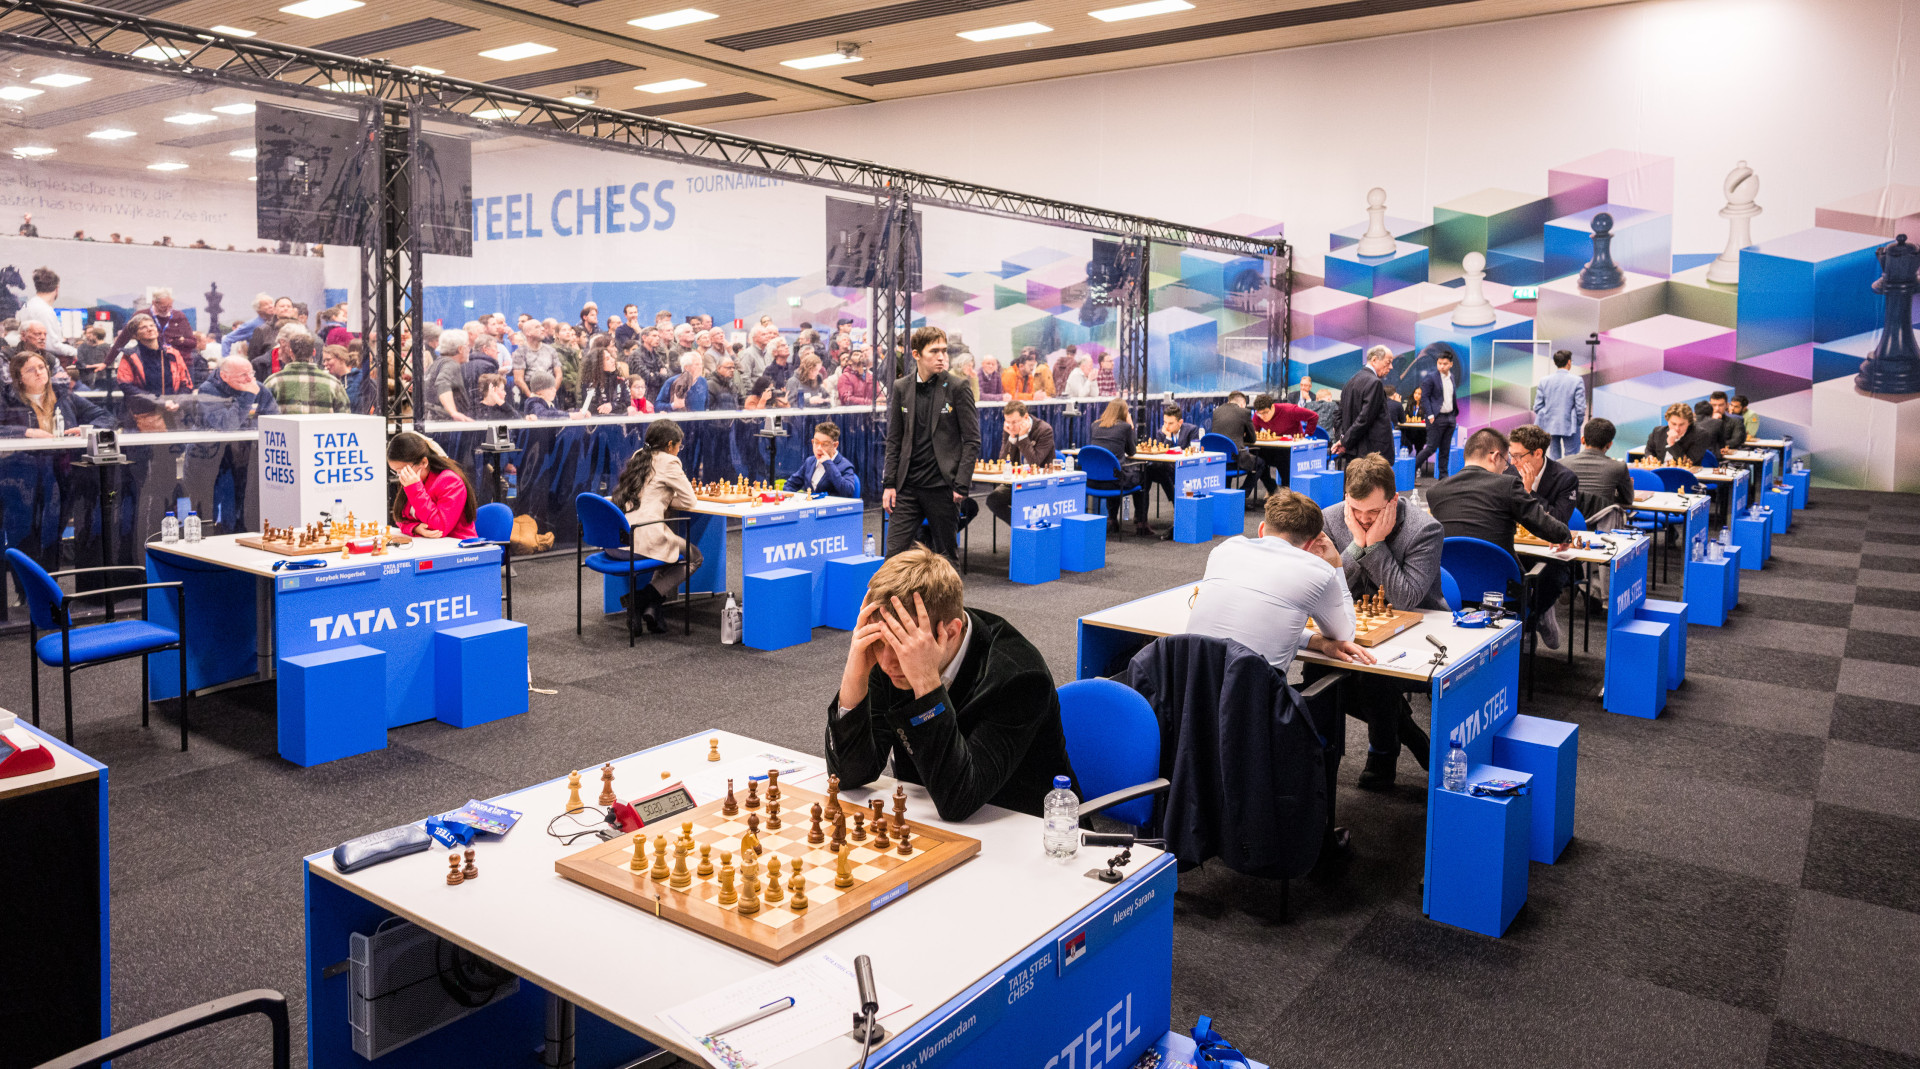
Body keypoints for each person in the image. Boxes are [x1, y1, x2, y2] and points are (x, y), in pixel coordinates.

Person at [826, 544, 1075, 820]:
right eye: (878, 643)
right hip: (931, 825)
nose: (885, 662)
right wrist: (854, 674)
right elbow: (848, 776)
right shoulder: (891, 658)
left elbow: (959, 800)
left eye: (899, 648)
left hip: (1028, 834)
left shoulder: (1020, 678)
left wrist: (925, 683)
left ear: (951, 631)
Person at [1320, 454, 1445, 787]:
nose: (1361, 520)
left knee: (1374, 673)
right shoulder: (1331, 519)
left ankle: (1383, 750)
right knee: (1317, 672)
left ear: (1393, 501)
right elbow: (1322, 587)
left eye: (1372, 513)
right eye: (1355, 510)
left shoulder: (1424, 529)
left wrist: (1373, 544)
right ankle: (1405, 730)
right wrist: (1357, 546)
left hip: (1419, 632)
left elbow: (1405, 598)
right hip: (1356, 627)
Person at [1185, 490, 1371, 675]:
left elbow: (1260, 628)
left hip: (1188, 691)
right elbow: (1345, 636)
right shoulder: (1319, 573)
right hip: (1256, 699)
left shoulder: (1223, 550)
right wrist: (1336, 566)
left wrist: (1320, 643)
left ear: (1261, 529)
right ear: (1310, 545)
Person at [881, 326, 980, 563]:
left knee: (946, 558)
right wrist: (890, 483)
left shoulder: (958, 387)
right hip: (907, 489)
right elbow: (894, 439)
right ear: (916, 355)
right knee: (893, 558)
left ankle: (953, 603)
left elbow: (972, 440)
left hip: (943, 489)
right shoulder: (901, 387)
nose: (941, 357)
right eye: (934, 351)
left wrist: (961, 485)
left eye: (944, 351)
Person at [608, 419, 703, 633]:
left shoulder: (638, 457)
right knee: (694, 557)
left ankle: (653, 608)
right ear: (670, 445)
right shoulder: (669, 462)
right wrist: (666, 500)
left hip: (616, 540)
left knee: (667, 548)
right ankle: (641, 599)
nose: (679, 450)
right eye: (679, 446)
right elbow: (689, 501)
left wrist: (661, 499)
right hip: (642, 540)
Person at [1506, 424, 1579, 648]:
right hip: (1518, 546)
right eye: (1511, 455)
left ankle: (1530, 621)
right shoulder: (1508, 474)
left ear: (1538, 453)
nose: (1514, 462)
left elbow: (1558, 520)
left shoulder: (1565, 478)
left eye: (1518, 456)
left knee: (1556, 575)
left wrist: (1529, 493)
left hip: (1551, 551)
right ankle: (1531, 618)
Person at [387, 431, 478, 539]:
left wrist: (415, 489)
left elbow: (439, 528)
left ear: (424, 462)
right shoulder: (412, 480)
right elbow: (400, 518)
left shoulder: (450, 481)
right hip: (429, 545)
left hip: (458, 547)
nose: (401, 475)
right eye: (396, 471)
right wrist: (415, 528)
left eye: (404, 469)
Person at [1, 350, 111, 437]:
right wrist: (26, 432)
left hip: (64, 460)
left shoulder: (64, 396)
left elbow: (106, 417)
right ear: (19, 377)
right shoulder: (9, 400)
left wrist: (88, 429)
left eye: (41, 367)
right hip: (24, 461)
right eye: (30, 370)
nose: (38, 373)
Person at [116, 312, 195, 431]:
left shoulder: (172, 353)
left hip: (174, 414)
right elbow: (126, 386)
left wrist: (178, 402)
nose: (149, 329)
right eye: (143, 327)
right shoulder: (130, 356)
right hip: (145, 415)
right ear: (135, 335)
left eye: (151, 325)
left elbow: (187, 383)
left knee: (177, 447)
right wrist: (159, 401)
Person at [1086, 399, 1155, 537]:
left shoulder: (1095, 425)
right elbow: (1132, 452)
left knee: (1114, 471)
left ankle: (1112, 520)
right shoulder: (1125, 427)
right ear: (1124, 413)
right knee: (1144, 476)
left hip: (1093, 482)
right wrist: (1131, 426)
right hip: (1114, 483)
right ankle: (1142, 523)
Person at [984, 400, 1057, 525]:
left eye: (1014, 422)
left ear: (1026, 418)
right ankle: (1020, 526)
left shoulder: (1044, 430)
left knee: (1027, 501)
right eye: (1007, 421)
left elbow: (1035, 462)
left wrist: (1023, 437)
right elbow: (1002, 462)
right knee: (993, 500)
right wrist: (1012, 437)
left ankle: (1027, 528)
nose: (1010, 426)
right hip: (1017, 482)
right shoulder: (1009, 429)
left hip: (1040, 483)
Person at [1560, 417, 1637, 518]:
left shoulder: (1562, 463)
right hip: (1602, 526)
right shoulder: (1618, 467)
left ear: (1582, 440)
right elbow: (1628, 501)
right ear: (1609, 445)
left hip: (1568, 525)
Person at [265, 330, 349, 414]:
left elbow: (262, 416)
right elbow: (345, 416)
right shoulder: (333, 384)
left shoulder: (273, 382)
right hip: (321, 427)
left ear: (291, 352)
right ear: (314, 352)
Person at [1334, 345, 1394, 461]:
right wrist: (1344, 441)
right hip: (1371, 454)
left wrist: (1343, 440)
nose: (1391, 367)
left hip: (1353, 451)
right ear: (1375, 360)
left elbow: (1338, 415)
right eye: (1388, 362)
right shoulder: (1375, 383)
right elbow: (1365, 419)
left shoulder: (1349, 382)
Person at [1415, 343, 1461, 478]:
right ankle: (1413, 469)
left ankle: (1443, 476)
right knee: (1431, 447)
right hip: (1436, 417)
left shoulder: (1451, 377)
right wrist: (1429, 414)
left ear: (1450, 364)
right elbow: (1424, 397)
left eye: (1445, 363)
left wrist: (1454, 414)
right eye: (1439, 363)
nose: (1441, 366)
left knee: (1445, 449)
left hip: (1450, 417)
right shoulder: (1430, 378)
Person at [195, 355, 280, 425]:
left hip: (248, 443)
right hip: (212, 443)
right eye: (243, 375)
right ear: (224, 376)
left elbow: (274, 420)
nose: (250, 379)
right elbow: (226, 425)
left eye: (251, 373)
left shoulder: (258, 388)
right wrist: (248, 396)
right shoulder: (208, 390)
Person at [784, 420, 860, 498]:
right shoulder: (810, 462)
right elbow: (790, 485)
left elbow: (848, 492)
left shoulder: (845, 466)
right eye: (816, 443)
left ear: (835, 445)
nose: (819, 448)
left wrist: (828, 464)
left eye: (825, 444)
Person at [1532, 350, 1586, 459]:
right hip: (1570, 425)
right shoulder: (1577, 381)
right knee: (1571, 458)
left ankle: (1555, 477)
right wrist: (1578, 423)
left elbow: (1537, 406)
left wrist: (1547, 416)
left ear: (1555, 363)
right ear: (1569, 362)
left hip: (1549, 424)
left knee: (1553, 457)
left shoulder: (1544, 381)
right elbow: (1580, 408)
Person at [18, 268, 76, 368]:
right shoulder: (45, 310)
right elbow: (51, 345)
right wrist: (75, 351)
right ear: (57, 289)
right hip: (45, 363)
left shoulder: (27, 306)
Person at [1207, 390, 1262, 492]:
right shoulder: (1244, 412)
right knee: (1260, 463)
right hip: (1235, 459)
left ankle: (1226, 494)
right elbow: (1252, 439)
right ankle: (1243, 493)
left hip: (1218, 460)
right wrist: (1242, 436)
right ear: (1242, 404)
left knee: (1228, 453)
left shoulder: (1216, 412)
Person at [425, 330, 474, 421]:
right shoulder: (451, 364)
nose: (469, 350)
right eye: (467, 346)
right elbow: (442, 383)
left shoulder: (436, 363)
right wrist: (453, 412)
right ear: (460, 349)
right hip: (446, 423)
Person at [1643, 402, 1712, 465]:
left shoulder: (1700, 435)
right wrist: (1650, 457)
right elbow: (1649, 450)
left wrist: (1672, 444)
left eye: (1681, 424)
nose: (1677, 428)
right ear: (1667, 420)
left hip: (1685, 474)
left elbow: (1688, 461)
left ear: (1689, 423)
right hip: (1659, 473)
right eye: (1673, 424)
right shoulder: (1658, 432)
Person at [1251, 392, 1319, 438]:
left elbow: (1314, 416)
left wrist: (1307, 435)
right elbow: (1254, 435)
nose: (1262, 416)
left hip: (1293, 445)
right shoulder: (1257, 416)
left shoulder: (1290, 410)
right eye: (1260, 413)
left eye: (1265, 412)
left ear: (1272, 407)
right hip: (1274, 445)